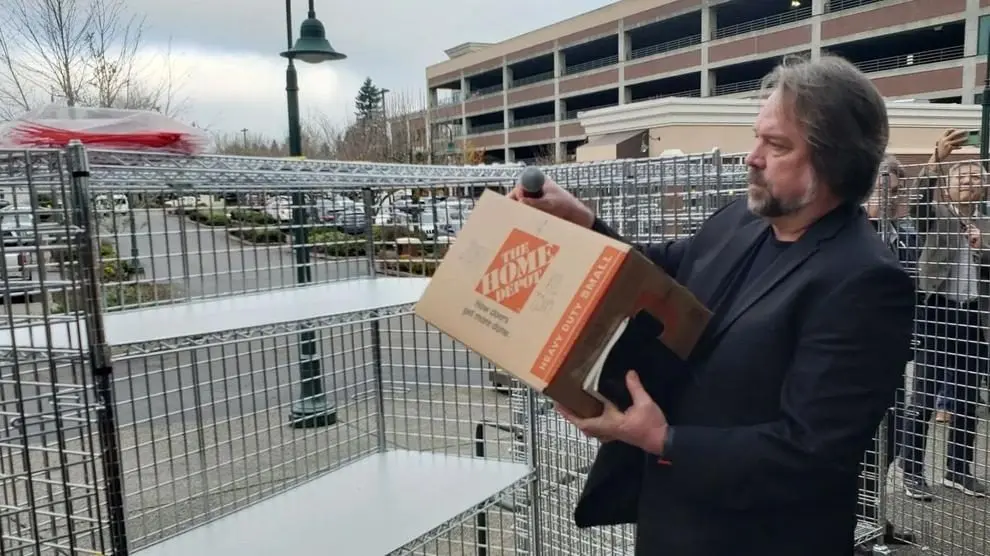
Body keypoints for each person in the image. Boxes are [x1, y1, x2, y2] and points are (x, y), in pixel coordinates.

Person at [508, 54, 915, 555]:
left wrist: (663, 440)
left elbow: (811, 451)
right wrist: (583, 221)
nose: (752, 157)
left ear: (836, 162)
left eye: (777, 145)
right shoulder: (742, 220)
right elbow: (661, 274)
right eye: (757, 137)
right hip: (673, 521)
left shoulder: (864, 282)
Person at [898, 140, 990, 500]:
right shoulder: (936, 213)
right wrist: (936, 160)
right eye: (962, 177)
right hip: (937, 313)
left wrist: (983, 246)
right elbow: (918, 201)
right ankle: (912, 471)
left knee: (967, 397)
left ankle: (958, 470)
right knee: (924, 396)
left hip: (973, 317)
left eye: (976, 177)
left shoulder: (983, 221)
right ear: (948, 187)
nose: (969, 182)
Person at [858, 154, 919, 548]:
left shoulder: (904, 233)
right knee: (863, 443)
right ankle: (858, 522)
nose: (892, 198)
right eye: (884, 190)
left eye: (896, 191)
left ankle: (874, 517)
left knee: (892, 436)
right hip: (860, 354)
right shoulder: (855, 233)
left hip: (894, 352)